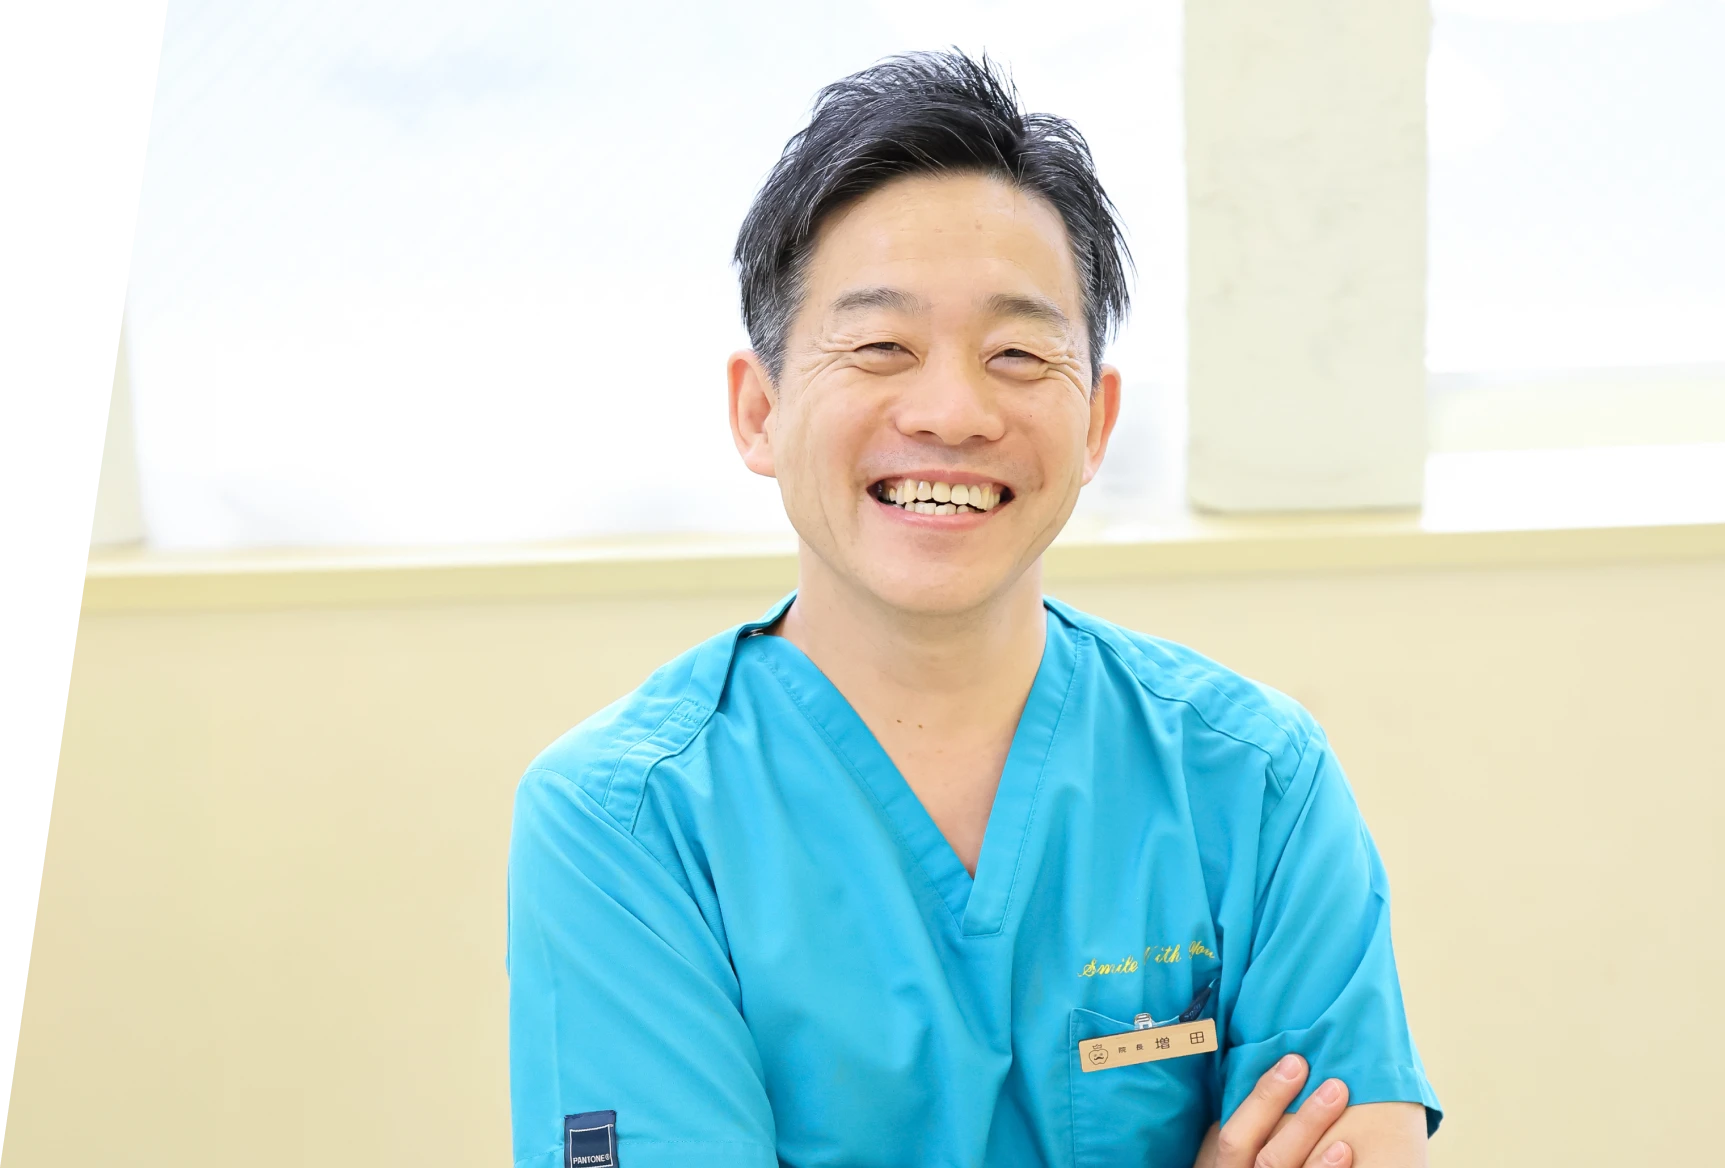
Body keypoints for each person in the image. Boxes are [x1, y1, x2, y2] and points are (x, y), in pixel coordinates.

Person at [507, 50, 1441, 1168]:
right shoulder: (624, 820)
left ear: (1094, 424)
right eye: (881, 346)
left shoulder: (1255, 783)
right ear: (759, 411)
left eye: (1017, 353)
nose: (953, 411)